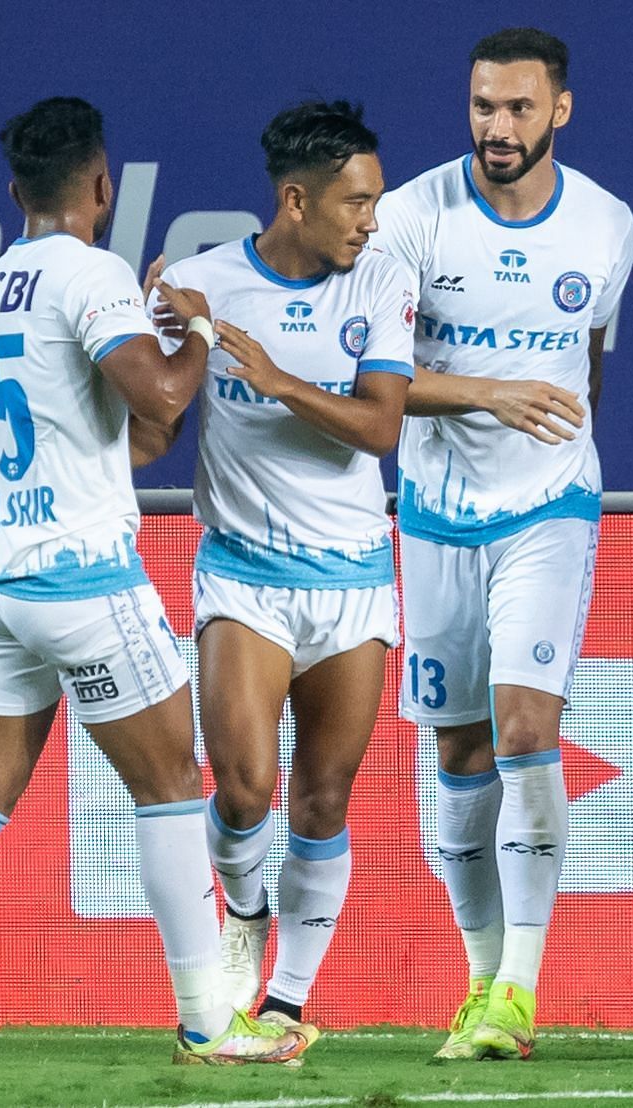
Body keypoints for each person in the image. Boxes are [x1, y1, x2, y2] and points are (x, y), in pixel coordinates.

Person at [0, 97, 307, 1066]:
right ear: (102, 185)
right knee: (172, 783)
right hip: (82, 581)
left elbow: (118, 432)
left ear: (15, 193)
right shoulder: (91, 277)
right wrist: (199, 330)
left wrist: (157, 346)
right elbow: (165, 399)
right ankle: (209, 1020)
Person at [367, 27, 633, 1061]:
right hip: (435, 510)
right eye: (483, 107)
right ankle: (480, 978)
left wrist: (557, 434)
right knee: (458, 749)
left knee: (525, 729)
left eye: (519, 109)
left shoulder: (606, 223)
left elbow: (586, 354)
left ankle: (519, 987)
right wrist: (486, 393)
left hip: (549, 507)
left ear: (558, 111)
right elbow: (377, 382)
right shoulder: (410, 216)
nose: (497, 128)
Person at [148, 100, 415, 1049]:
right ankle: (247, 912)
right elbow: (152, 421)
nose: (370, 220)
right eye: (355, 202)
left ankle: (290, 1000)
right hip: (244, 577)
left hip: (353, 581)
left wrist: (275, 379)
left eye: (376, 201)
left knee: (324, 798)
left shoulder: (380, 282)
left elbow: (381, 426)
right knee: (245, 789)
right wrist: (159, 336)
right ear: (295, 201)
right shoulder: (198, 282)